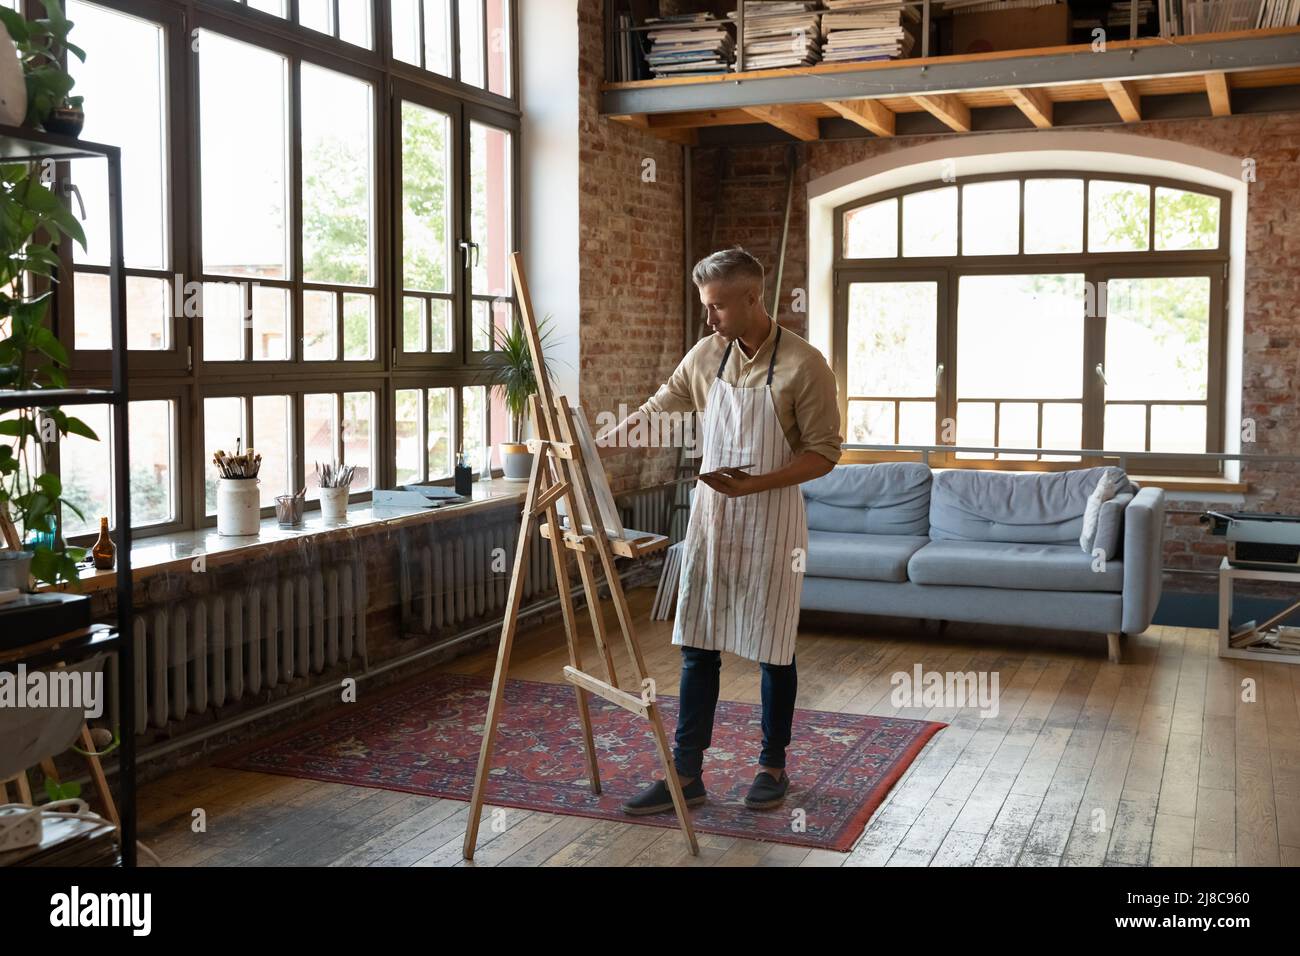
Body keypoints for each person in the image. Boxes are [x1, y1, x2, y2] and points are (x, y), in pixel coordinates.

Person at [601, 247, 843, 813]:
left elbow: (825, 454)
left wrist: (757, 484)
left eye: (717, 307)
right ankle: (686, 775)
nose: (709, 318)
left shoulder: (805, 365)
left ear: (753, 298)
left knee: (774, 647)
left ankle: (772, 766)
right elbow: (663, 403)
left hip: (773, 522)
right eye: (705, 307)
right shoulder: (708, 354)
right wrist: (611, 436)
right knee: (697, 645)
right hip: (713, 519)